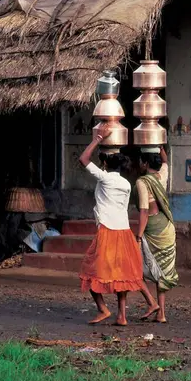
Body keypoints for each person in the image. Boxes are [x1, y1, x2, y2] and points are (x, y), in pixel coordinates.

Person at [78, 128, 145, 326]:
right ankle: (122, 315)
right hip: (123, 231)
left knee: (90, 271)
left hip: (107, 230)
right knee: (121, 275)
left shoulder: (105, 178)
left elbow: (83, 159)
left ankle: (103, 308)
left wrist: (97, 139)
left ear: (106, 164)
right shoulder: (126, 184)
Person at [135, 146, 179, 323]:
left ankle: (153, 304)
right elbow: (166, 162)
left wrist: (138, 236)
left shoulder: (142, 182)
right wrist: (161, 147)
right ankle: (161, 314)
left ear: (145, 163)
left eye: (140, 161)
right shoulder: (162, 176)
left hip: (153, 228)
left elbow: (144, 211)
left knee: (137, 268)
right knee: (163, 271)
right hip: (167, 228)